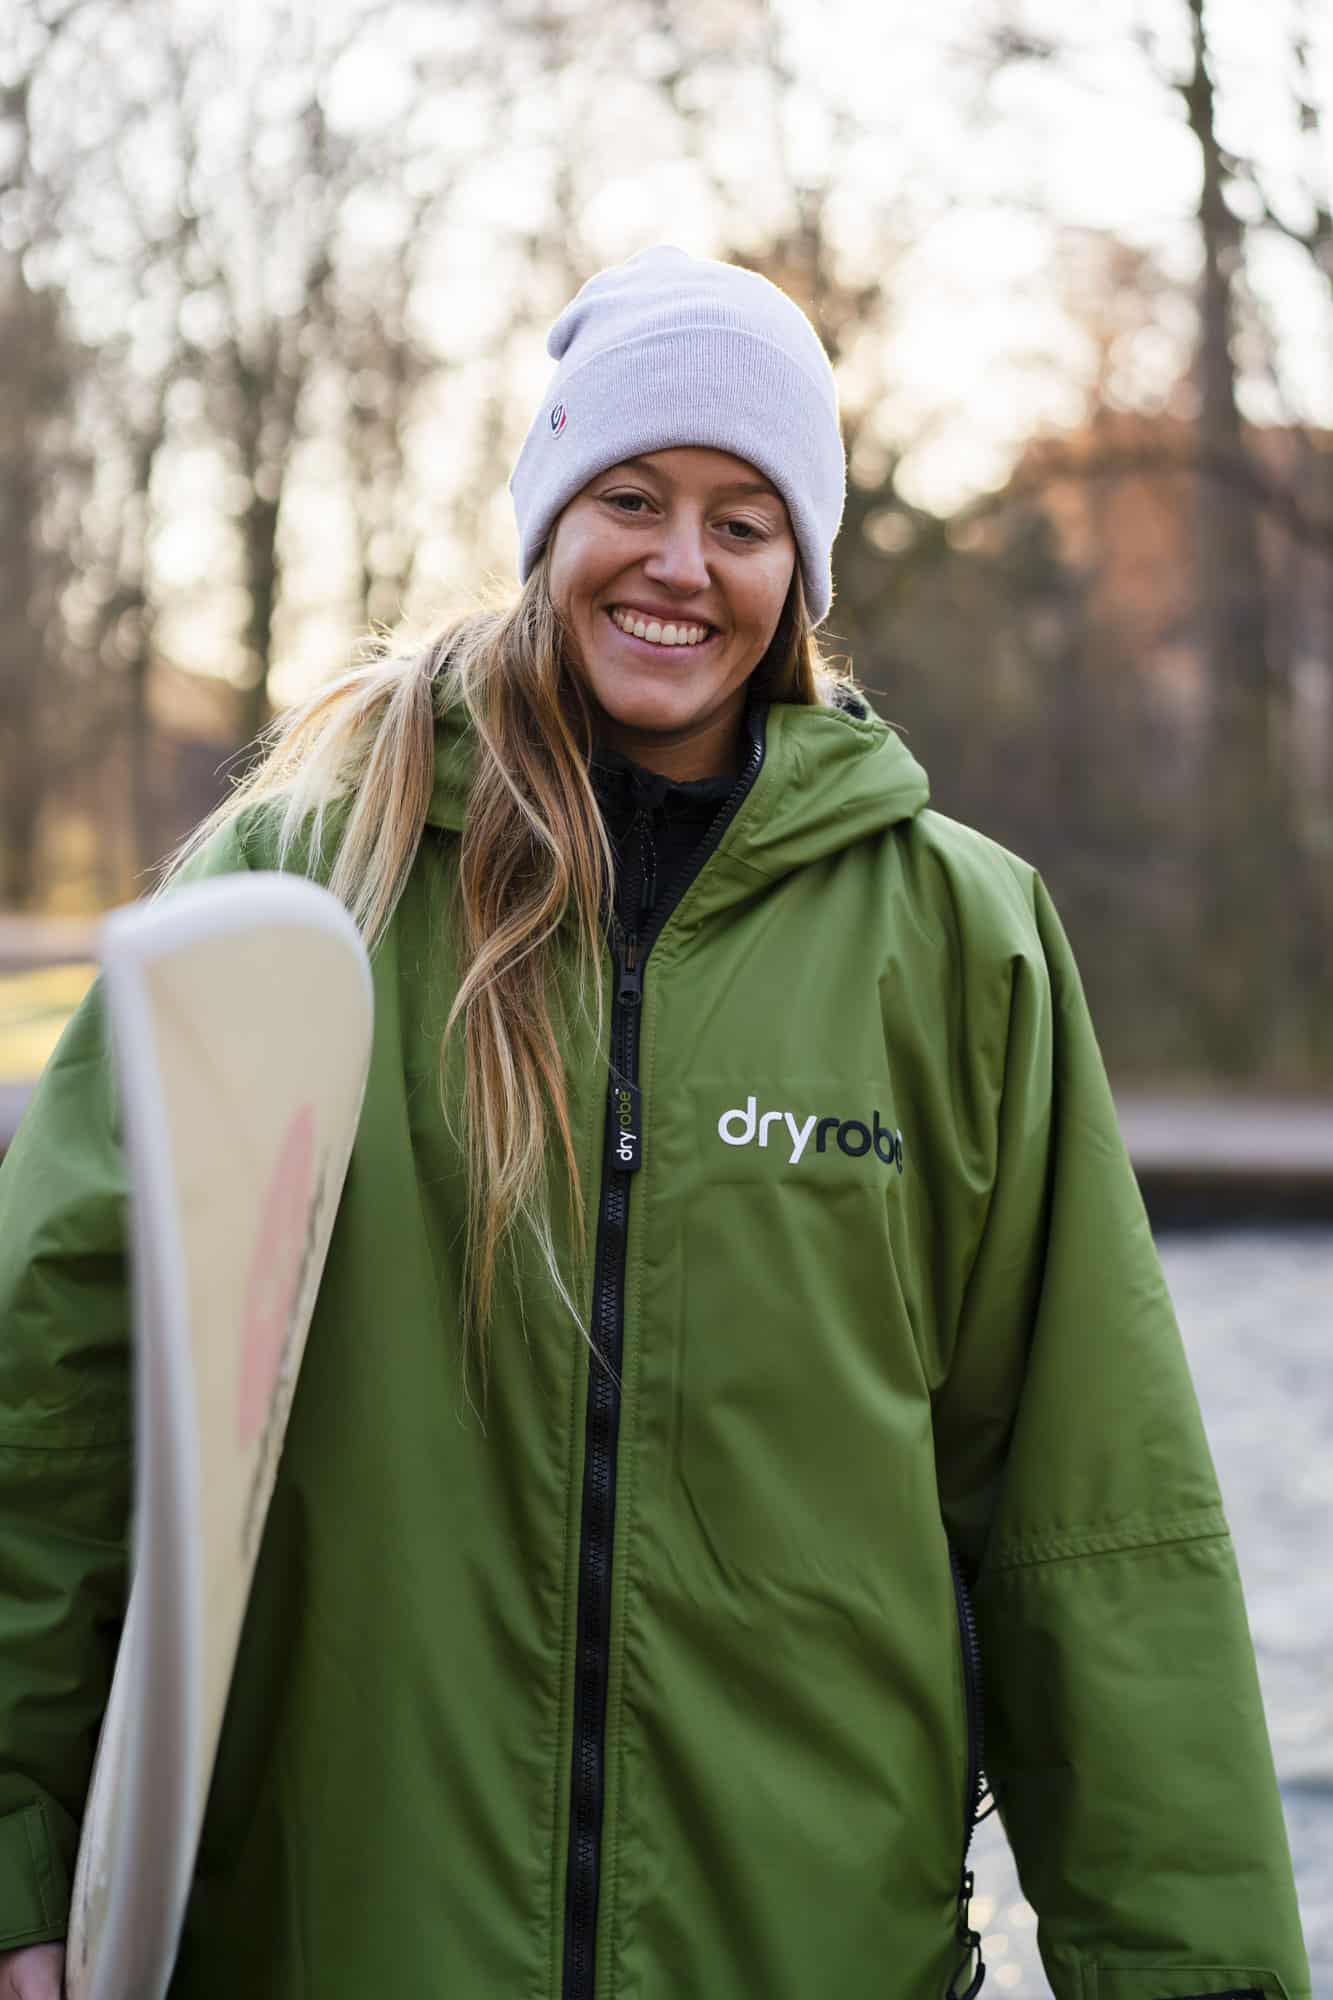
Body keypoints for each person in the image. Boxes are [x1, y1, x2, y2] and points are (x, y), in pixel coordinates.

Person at [0, 246, 1311, 2000]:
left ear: (800, 571)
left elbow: (1095, 1522)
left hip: (807, 1945)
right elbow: (55, 1410)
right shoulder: (305, 890)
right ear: (550, 513)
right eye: (630, 495)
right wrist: (20, 1860)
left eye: (742, 518)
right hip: (352, 1930)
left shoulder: (955, 940)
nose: (678, 564)